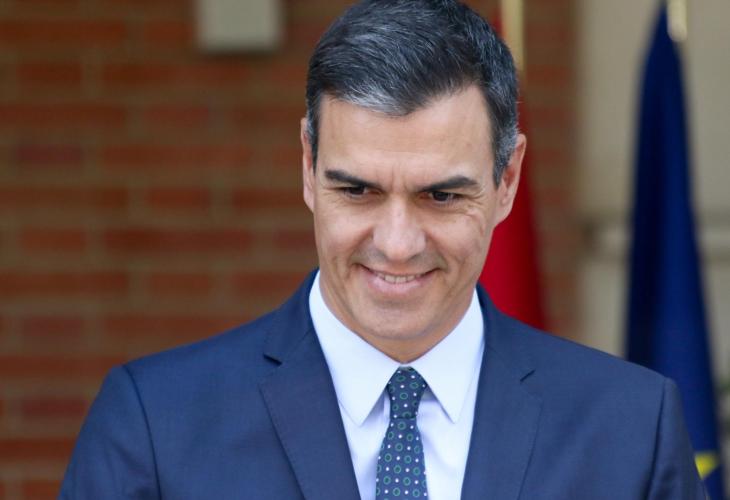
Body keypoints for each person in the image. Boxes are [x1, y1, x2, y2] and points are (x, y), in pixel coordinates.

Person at [60, 0, 705, 498]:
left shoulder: (631, 430)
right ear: (308, 166)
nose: (397, 245)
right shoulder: (155, 426)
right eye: (358, 191)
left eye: (441, 196)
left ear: (507, 179)